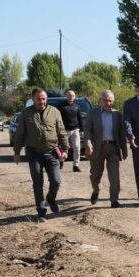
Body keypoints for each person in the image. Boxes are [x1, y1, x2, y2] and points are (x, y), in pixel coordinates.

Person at [12, 87, 68, 222]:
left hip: (52, 152)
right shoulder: (26, 113)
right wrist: (17, 151)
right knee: (37, 183)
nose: (41, 101)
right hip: (34, 153)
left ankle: (51, 198)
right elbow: (20, 133)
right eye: (38, 99)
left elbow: (61, 131)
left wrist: (65, 149)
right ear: (33, 99)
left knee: (56, 180)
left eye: (43, 99)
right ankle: (41, 211)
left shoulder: (54, 112)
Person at [83, 90, 128, 208]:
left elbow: (121, 133)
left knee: (114, 176)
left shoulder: (117, 114)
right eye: (106, 100)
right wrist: (88, 144)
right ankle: (96, 190)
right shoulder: (92, 113)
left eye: (110, 101)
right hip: (97, 148)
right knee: (95, 176)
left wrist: (124, 150)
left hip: (113, 148)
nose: (108, 103)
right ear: (101, 100)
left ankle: (114, 199)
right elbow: (87, 130)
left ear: (113, 101)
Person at [58, 90, 84, 172]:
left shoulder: (77, 106)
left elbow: (80, 118)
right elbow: (58, 119)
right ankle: (61, 161)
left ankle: (76, 165)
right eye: (69, 95)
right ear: (66, 96)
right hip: (64, 130)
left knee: (77, 147)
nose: (71, 97)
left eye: (73, 95)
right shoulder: (61, 106)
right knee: (63, 147)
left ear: (74, 96)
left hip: (75, 129)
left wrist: (82, 130)